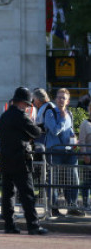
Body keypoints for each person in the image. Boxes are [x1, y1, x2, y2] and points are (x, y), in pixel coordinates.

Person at [0, 87, 48, 235]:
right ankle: (33, 225)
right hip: (20, 160)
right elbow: (36, 132)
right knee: (27, 194)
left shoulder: (4, 116)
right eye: (26, 104)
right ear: (22, 103)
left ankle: (9, 225)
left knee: (8, 194)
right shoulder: (21, 116)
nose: (26, 107)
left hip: (5, 159)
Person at [44, 88, 83, 216]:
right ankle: (53, 208)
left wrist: (74, 139)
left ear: (68, 101)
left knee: (73, 179)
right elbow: (55, 131)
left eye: (63, 98)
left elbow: (70, 130)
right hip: (54, 151)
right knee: (54, 180)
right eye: (59, 97)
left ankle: (72, 206)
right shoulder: (50, 113)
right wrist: (62, 119)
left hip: (69, 151)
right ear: (55, 99)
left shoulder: (69, 114)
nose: (61, 100)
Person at [79, 102, 91, 210]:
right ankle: (85, 203)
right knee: (87, 181)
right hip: (89, 158)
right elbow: (81, 141)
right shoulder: (85, 124)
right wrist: (85, 155)